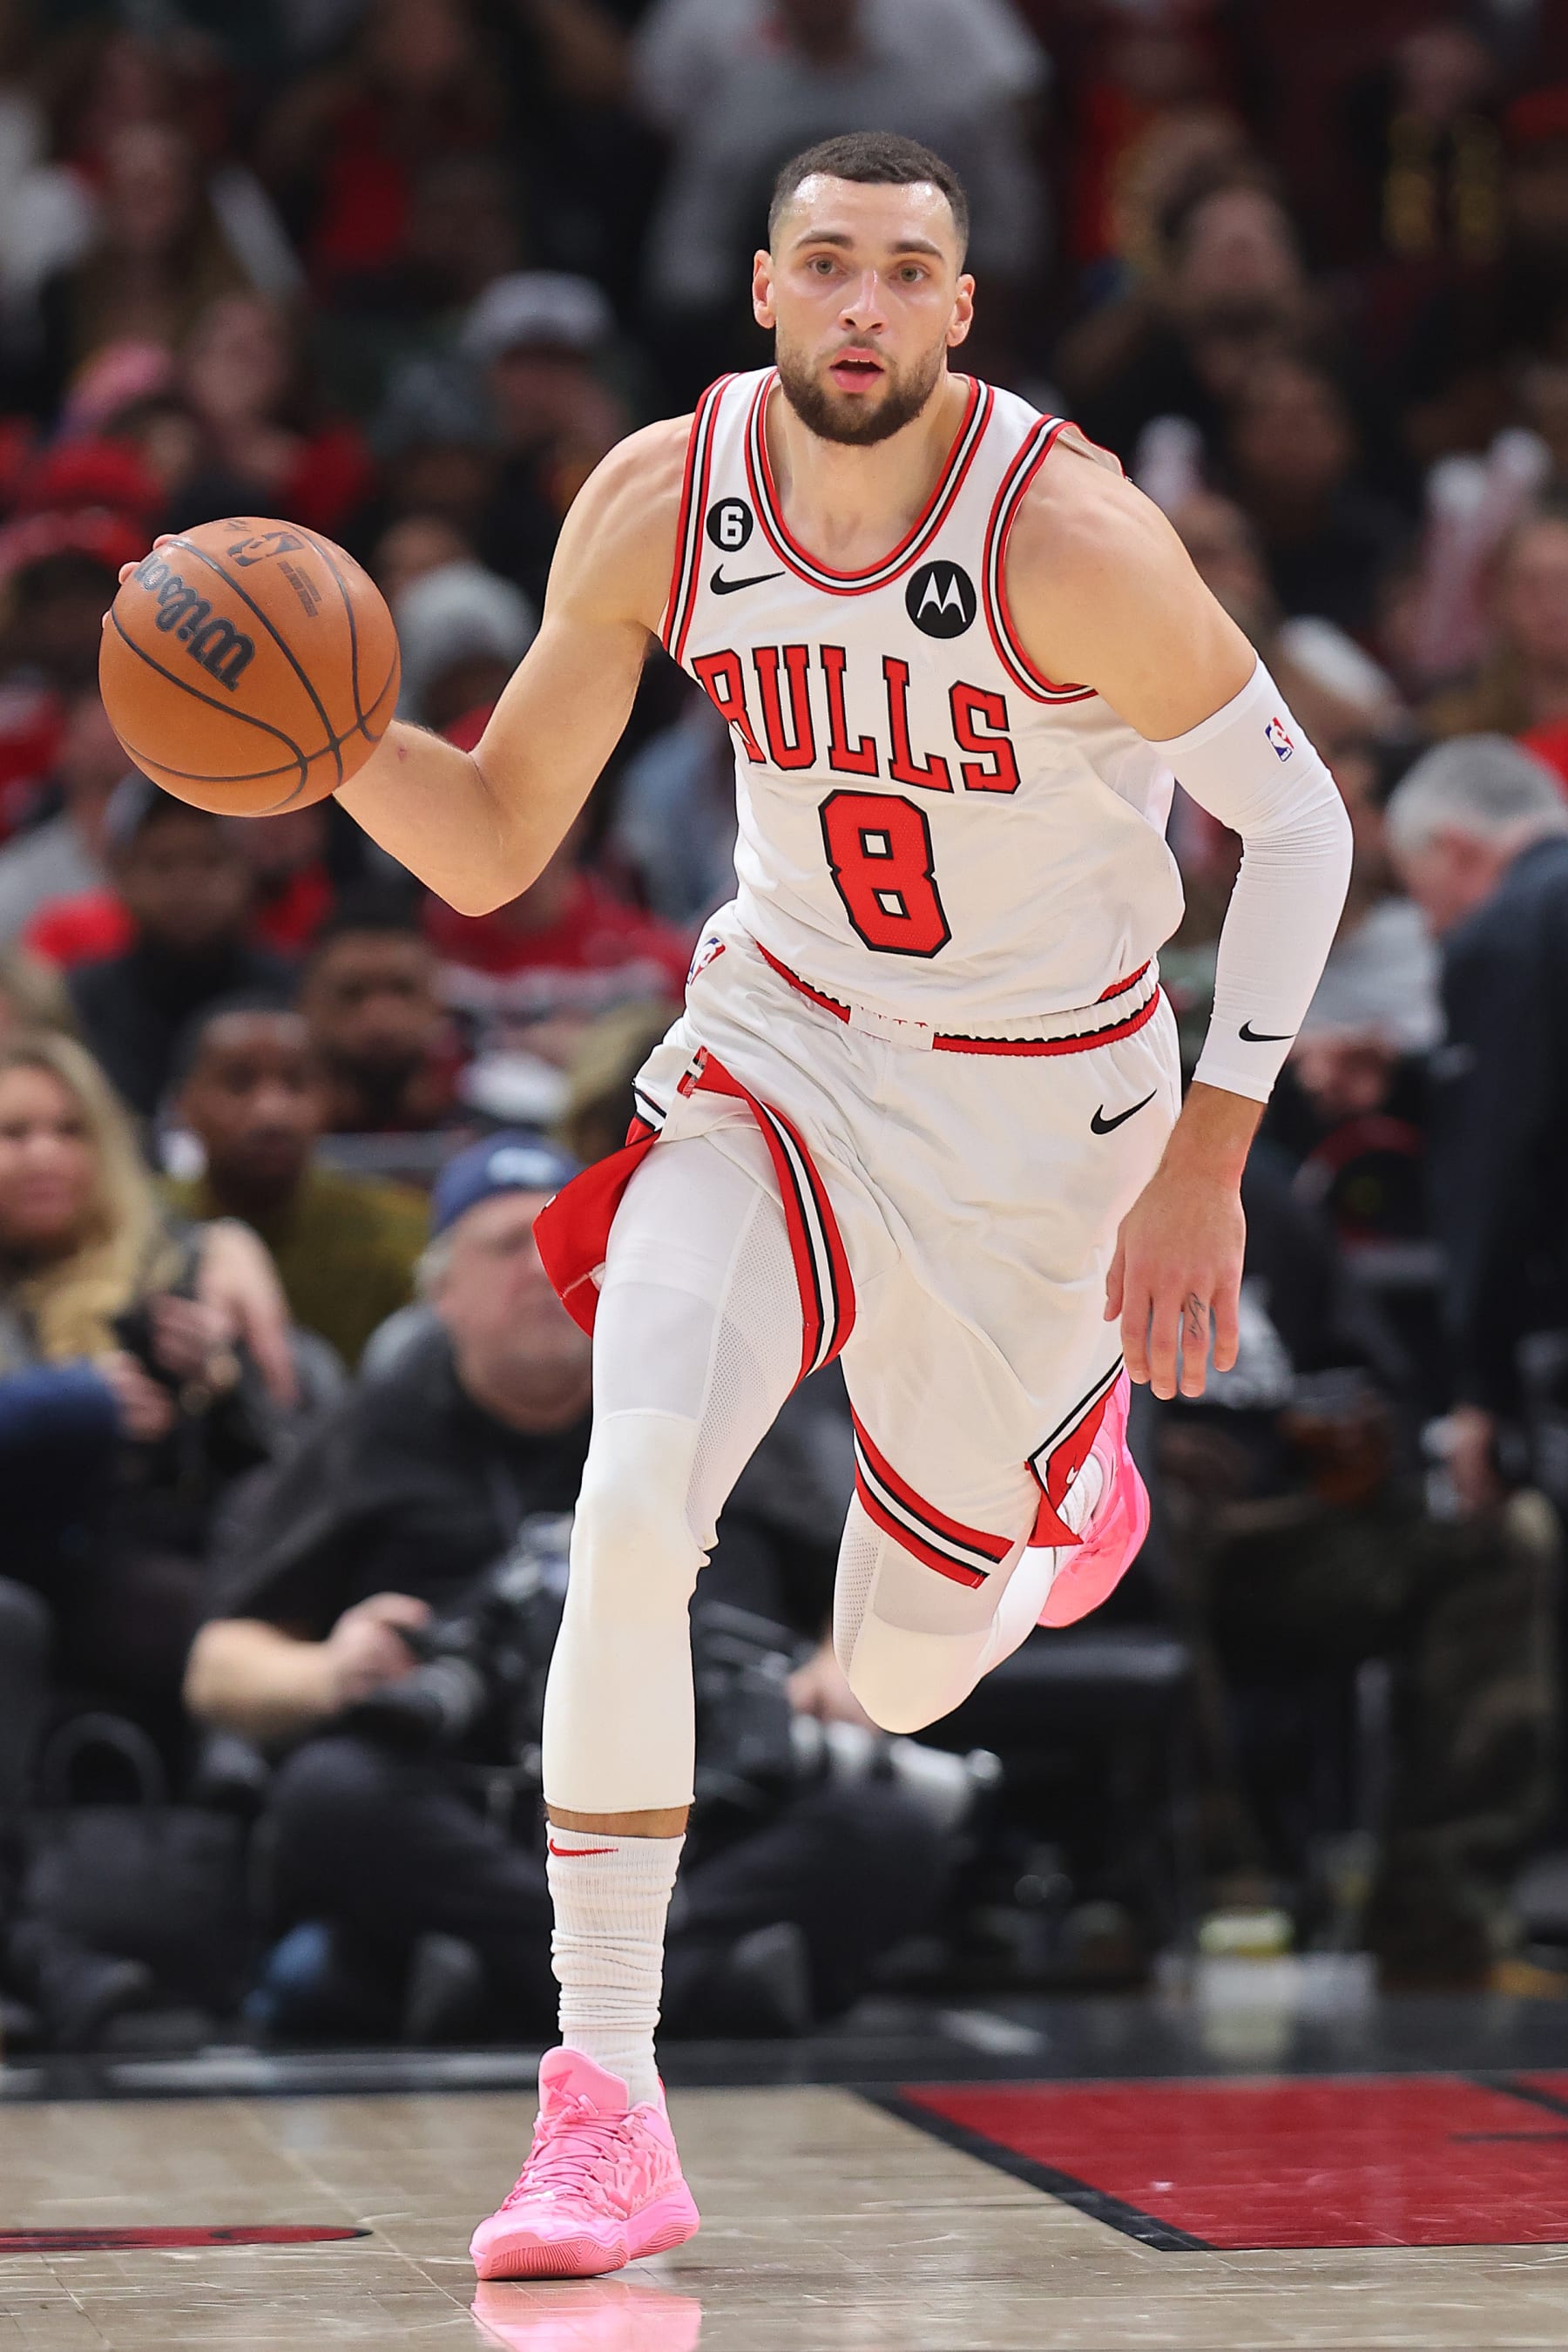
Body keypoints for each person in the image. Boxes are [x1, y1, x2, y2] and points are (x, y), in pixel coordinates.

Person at [131, 132, 1353, 2279]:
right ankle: (603, 2098)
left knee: (890, 1683)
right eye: (827, 265)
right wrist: (326, 746)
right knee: (631, 1502)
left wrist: (1212, 1152)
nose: (865, 302)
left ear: (959, 310)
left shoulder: (1061, 528)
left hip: (1045, 1124)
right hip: (778, 1051)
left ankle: (1063, 1475)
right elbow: (502, 833)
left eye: (909, 269)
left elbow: (1304, 824)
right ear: (767, 295)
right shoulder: (658, 498)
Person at [187, 1133, 936, 2044]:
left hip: (707, 1803)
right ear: (441, 1295)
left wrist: (838, 1665)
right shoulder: (371, 1432)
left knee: (891, 1815)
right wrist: (330, 1671)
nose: (544, 1267)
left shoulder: (719, 1403)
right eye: (506, 1246)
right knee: (328, 1798)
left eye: (574, 1243)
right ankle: (689, 1980)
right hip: (480, 1807)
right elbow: (219, 1666)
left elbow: (872, 1582)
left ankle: (526, 1986)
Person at [1384, 734, 1568, 1510]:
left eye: (1424, 899)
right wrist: (1414, 1080)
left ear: (1455, 851)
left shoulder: (1507, 933)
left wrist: (1480, 1388)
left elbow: (1494, 1176)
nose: (1432, 932)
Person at [164, 998, 429, 1369]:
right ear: (185, 1105)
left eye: (296, 1083)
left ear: (330, 1099)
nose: (271, 1110)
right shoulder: (137, 1225)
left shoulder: (404, 1234)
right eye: (239, 1083)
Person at [66, 779, 295, 1122]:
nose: (186, 885)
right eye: (162, 865)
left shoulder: (292, 993)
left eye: (208, 862)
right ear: (119, 874)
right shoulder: (78, 1003)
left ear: (247, 870)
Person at [299, 888, 457, 1135]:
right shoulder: (269, 1135)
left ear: (437, 1002)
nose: (379, 1016)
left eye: (402, 990)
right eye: (352, 993)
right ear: (308, 1003)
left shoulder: (486, 1113)